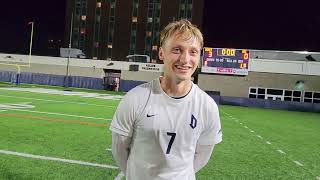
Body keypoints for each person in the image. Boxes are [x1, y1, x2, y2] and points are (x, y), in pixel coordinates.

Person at [110, 19, 222, 180]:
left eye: (193, 52)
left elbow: (202, 157)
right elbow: (119, 150)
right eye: (177, 50)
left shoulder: (207, 106)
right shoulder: (136, 98)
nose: (185, 59)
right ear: (162, 53)